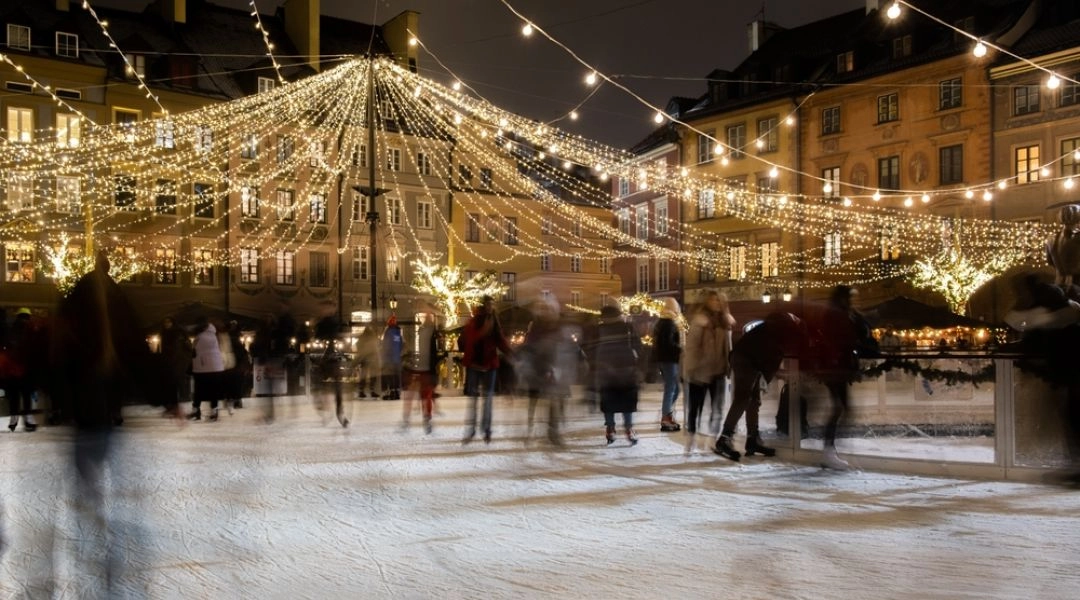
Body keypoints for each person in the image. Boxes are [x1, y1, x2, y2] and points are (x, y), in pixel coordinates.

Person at [50, 250, 156, 594]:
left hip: (84, 409)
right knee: (107, 460)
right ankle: (109, 530)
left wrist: (59, 401)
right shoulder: (114, 298)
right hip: (102, 403)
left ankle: (94, 521)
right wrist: (164, 395)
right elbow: (135, 348)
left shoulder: (78, 296)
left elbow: (56, 348)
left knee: (88, 469)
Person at [714, 311, 805, 461]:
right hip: (746, 359)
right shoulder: (787, 330)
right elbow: (773, 359)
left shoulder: (778, 324)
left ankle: (752, 440)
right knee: (743, 398)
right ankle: (724, 439)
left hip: (746, 357)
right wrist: (779, 374)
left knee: (754, 400)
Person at [815, 285, 877, 470]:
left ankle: (830, 450)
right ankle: (829, 451)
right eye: (849, 297)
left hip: (837, 367)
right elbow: (846, 338)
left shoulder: (843, 313)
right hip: (834, 367)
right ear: (842, 298)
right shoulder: (837, 315)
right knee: (839, 408)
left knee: (842, 408)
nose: (852, 300)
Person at [683, 290, 734, 454]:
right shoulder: (700, 321)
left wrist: (729, 366)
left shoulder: (725, 322)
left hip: (718, 371)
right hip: (699, 371)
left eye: (718, 300)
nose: (715, 303)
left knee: (717, 408)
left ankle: (713, 438)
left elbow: (728, 347)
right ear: (707, 302)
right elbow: (691, 347)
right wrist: (690, 369)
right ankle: (691, 436)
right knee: (695, 408)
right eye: (712, 300)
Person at [587, 304, 643, 445]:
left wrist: (595, 364)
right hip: (626, 369)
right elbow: (638, 346)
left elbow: (590, 348)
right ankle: (629, 429)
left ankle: (610, 429)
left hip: (605, 371)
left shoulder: (598, 329)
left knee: (608, 401)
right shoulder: (627, 327)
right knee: (627, 401)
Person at [460, 295, 512, 444]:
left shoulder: (494, 321)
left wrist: (512, 354)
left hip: (489, 365)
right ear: (483, 305)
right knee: (473, 400)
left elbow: (500, 340)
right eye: (488, 304)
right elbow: (468, 339)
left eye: (492, 304)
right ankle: (471, 431)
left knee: (488, 400)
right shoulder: (474, 321)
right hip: (474, 365)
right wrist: (482, 331)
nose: (490, 307)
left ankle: (487, 430)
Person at [520, 297, 571, 445]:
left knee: (554, 400)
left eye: (549, 309)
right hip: (537, 369)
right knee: (534, 401)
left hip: (553, 369)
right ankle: (530, 429)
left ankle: (553, 432)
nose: (546, 312)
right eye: (544, 309)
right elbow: (529, 348)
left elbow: (566, 346)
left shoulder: (557, 327)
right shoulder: (536, 327)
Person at [401, 310, 442, 434]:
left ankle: (413, 420)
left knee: (419, 395)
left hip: (421, 367)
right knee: (424, 395)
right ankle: (424, 419)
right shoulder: (431, 333)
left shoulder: (425, 332)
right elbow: (433, 352)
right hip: (423, 368)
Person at [3, 308, 41, 432]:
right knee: (26, 394)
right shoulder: (31, 330)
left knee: (14, 395)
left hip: (13, 369)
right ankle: (28, 419)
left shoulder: (11, 330)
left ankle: (14, 419)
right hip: (26, 368)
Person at [651, 297, 683, 432]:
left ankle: (667, 413)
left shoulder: (661, 322)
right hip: (669, 360)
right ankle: (665, 417)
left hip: (664, 360)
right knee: (671, 389)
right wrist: (681, 348)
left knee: (675, 388)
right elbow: (668, 344)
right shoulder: (668, 323)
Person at [189, 315, 225, 421]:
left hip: (203, 367)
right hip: (213, 367)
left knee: (199, 390)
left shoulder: (202, 336)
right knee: (212, 390)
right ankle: (213, 411)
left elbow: (195, 350)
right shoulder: (213, 334)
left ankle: (197, 410)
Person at [158, 316, 193, 417]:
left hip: (177, 362)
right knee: (169, 385)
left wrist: (182, 360)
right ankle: (171, 406)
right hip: (169, 362)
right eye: (165, 322)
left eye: (169, 322)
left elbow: (182, 349)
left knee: (174, 384)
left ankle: (175, 407)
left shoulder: (178, 333)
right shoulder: (164, 333)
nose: (167, 324)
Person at [381, 315, 404, 400]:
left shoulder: (388, 332)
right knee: (396, 376)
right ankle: (397, 393)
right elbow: (401, 345)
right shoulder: (398, 332)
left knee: (390, 376)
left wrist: (384, 355)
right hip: (397, 359)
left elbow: (385, 345)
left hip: (389, 359)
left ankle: (391, 392)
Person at [354, 325, 379, 399]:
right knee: (373, 376)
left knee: (363, 376)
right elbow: (376, 348)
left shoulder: (362, 338)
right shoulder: (373, 338)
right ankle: (372, 391)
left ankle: (361, 391)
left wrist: (360, 354)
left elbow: (357, 345)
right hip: (372, 359)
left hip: (364, 360)